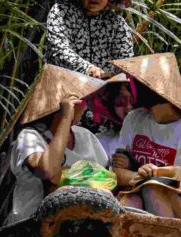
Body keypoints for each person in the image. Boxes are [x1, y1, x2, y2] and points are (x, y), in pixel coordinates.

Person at [109, 53, 181, 224]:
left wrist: (177, 185)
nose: (131, 87)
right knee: (130, 198)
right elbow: (117, 172)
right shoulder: (134, 119)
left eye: (135, 83)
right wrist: (141, 175)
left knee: (154, 189)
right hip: (146, 194)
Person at [8, 65, 109, 224]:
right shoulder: (29, 137)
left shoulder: (85, 136)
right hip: (33, 225)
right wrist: (65, 118)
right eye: (81, 101)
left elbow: (106, 178)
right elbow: (49, 172)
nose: (85, 107)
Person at [44, 0, 134, 79]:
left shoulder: (116, 23)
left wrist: (122, 83)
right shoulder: (62, 12)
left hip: (102, 89)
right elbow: (58, 49)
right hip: (63, 84)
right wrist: (88, 69)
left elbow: (125, 61)